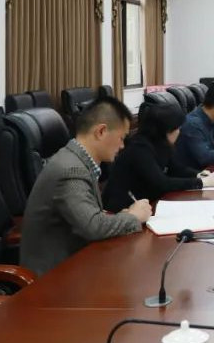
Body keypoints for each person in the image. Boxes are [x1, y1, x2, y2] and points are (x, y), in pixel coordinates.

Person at [20, 96, 150, 276]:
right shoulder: (71, 169)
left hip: (77, 261)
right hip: (54, 277)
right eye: (121, 138)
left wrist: (121, 217)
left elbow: (88, 217)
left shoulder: (76, 159)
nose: (122, 146)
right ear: (101, 131)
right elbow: (93, 226)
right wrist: (134, 217)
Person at [101, 102, 214, 212]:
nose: (179, 132)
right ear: (167, 130)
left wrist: (199, 174)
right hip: (123, 209)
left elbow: (176, 169)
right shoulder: (139, 148)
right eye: (177, 128)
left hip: (147, 204)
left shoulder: (161, 143)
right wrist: (202, 182)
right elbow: (161, 183)